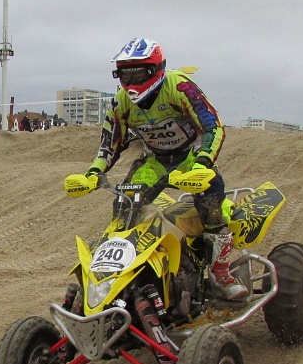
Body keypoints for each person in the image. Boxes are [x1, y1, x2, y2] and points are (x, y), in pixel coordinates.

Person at [70, 38, 247, 300]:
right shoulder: (120, 102)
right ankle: (123, 276)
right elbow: (110, 144)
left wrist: (203, 163)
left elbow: (213, 126)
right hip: (155, 160)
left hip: (191, 157)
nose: (131, 80)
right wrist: (93, 173)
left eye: (137, 73)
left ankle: (221, 273)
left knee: (213, 211)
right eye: (124, 73)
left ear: (155, 70)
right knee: (124, 209)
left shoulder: (180, 88)